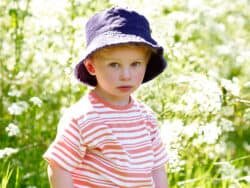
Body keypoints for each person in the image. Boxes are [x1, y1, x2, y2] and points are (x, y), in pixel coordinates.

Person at [43, 7, 169, 188]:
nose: (126, 75)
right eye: (114, 65)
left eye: (135, 64)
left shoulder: (146, 116)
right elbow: (59, 166)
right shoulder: (82, 116)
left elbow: (157, 168)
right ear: (92, 67)